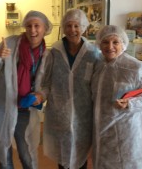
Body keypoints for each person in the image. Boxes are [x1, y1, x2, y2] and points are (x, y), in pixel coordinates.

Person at [0, 10, 53, 169]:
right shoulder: (10, 43)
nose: (33, 30)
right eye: (29, 26)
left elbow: (48, 84)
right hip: (2, 104)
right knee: (4, 149)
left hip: (26, 107)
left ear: (45, 29)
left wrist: (40, 96)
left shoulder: (49, 55)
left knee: (26, 150)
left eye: (37, 26)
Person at [91, 25, 142, 169]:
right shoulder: (99, 66)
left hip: (127, 130)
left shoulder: (135, 67)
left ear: (123, 43)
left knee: (128, 163)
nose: (110, 46)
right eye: (105, 42)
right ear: (99, 44)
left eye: (115, 42)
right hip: (103, 129)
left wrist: (131, 103)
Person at [39, 9, 100, 169]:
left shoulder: (93, 53)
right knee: (63, 155)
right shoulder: (54, 52)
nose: (72, 30)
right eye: (68, 25)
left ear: (84, 27)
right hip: (59, 113)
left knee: (81, 156)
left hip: (84, 114)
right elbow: (46, 82)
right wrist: (39, 96)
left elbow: (98, 84)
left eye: (76, 26)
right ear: (63, 28)